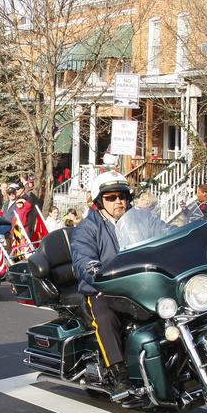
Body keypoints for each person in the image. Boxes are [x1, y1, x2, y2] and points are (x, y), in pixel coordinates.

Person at [71, 171, 138, 399]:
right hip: (103, 289)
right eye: (111, 197)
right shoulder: (88, 228)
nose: (119, 201)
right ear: (99, 201)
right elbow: (83, 258)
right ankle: (118, 373)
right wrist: (95, 271)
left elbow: (164, 235)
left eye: (122, 196)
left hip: (138, 285)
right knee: (105, 316)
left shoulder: (138, 220)